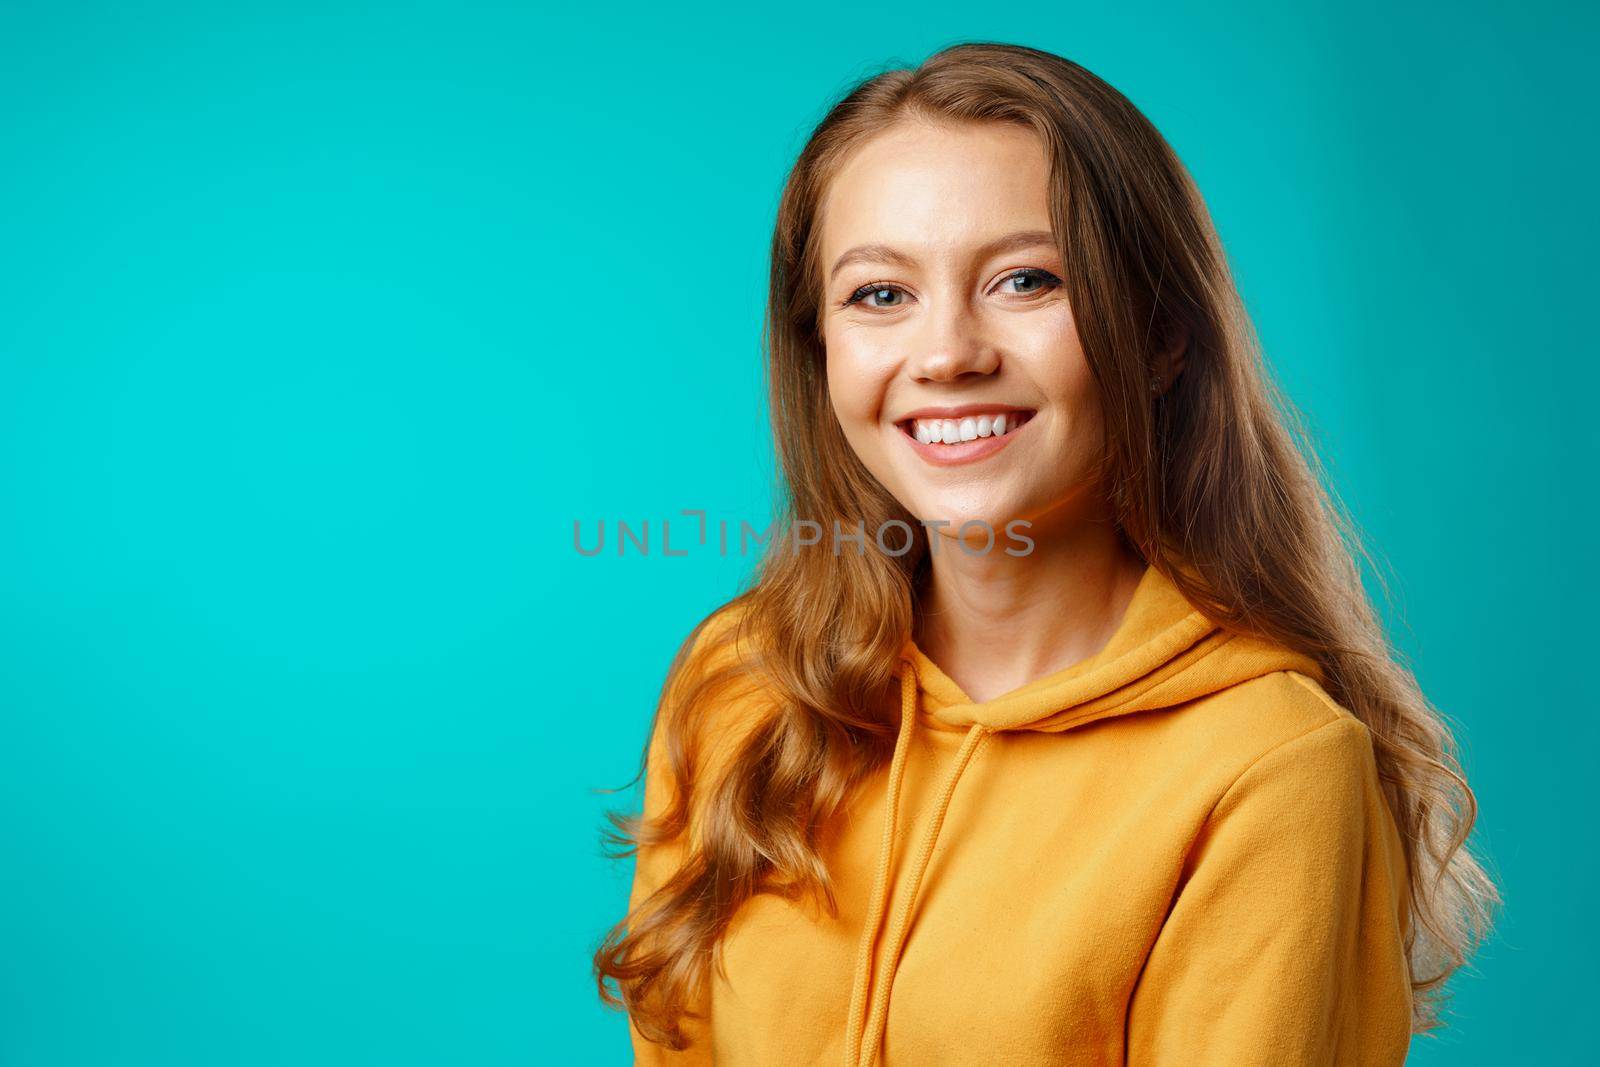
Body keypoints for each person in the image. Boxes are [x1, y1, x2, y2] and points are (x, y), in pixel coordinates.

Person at [593, 41, 1498, 1066]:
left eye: (1026, 280)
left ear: (1159, 336)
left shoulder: (1270, 768)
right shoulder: (743, 682)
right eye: (880, 294)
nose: (945, 355)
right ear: (819, 348)